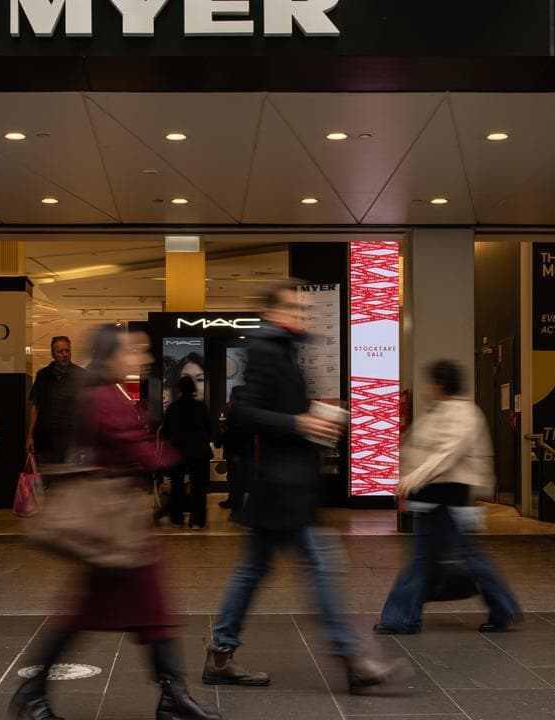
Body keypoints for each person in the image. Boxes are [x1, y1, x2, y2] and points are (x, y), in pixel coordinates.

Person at [204, 280, 411, 692]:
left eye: (303, 309)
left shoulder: (284, 349)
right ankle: (352, 658)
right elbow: (245, 411)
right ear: (272, 313)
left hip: (283, 485)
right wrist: (300, 422)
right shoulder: (267, 349)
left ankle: (221, 653)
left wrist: (316, 417)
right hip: (282, 487)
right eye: (294, 308)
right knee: (320, 566)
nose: (302, 315)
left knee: (254, 570)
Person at [9, 326, 220, 720]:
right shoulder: (103, 397)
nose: (142, 357)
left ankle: (170, 694)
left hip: (119, 529)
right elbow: (137, 450)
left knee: (128, 611)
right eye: (133, 350)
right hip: (115, 528)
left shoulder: (108, 393)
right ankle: (170, 695)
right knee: (136, 611)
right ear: (110, 356)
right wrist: (168, 454)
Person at [376, 360, 521, 635]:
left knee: (435, 558)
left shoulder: (462, 414)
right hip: (437, 496)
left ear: (440, 384)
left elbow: (447, 454)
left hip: (447, 496)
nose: (425, 388)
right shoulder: (444, 411)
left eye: (429, 382)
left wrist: (412, 479)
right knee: (451, 557)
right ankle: (503, 608)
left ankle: (401, 618)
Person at [161, 375, 213, 530]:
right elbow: (209, 429)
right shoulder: (201, 407)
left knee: (177, 486)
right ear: (193, 389)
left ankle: (177, 519)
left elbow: (166, 432)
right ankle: (197, 520)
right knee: (199, 487)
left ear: (179, 389)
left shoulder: (172, 408)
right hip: (199, 452)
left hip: (178, 451)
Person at [27, 336, 84, 466]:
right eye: (60, 351)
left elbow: (86, 409)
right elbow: (36, 405)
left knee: (69, 475)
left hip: (70, 439)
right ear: (53, 354)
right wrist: (29, 435)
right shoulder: (42, 375)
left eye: (67, 350)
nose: (65, 354)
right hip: (45, 438)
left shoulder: (80, 375)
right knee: (46, 474)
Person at [218, 385, 252, 513]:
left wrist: (232, 452)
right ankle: (232, 502)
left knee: (236, 480)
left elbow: (233, 434)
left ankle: (236, 508)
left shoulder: (236, 412)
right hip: (241, 452)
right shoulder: (245, 411)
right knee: (235, 479)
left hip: (237, 453)